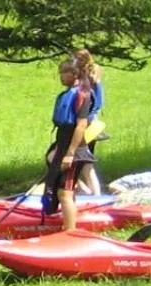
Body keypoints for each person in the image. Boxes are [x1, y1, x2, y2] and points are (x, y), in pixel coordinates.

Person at [41, 51, 98, 232]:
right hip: (63, 142)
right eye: (60, 72)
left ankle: (70, 232)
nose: (61, 76)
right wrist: (58, 150)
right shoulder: (67, 94)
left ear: (75, 74)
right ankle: (67, 221)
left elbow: (81, 126)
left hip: (75, 149)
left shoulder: (83, 94)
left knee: (64, 193)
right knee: (59, 190)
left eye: (64, 73)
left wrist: (70, 154)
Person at [77, 61, 106, 196]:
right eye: (89, 73)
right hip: (86, 128)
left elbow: (96, 106)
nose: (91, 75)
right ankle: (90, 191)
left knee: (85, 162)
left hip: (89, 128)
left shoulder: (95, 88)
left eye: (93, 73)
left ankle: (93, 193)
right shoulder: (85, 87)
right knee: (83, 163)